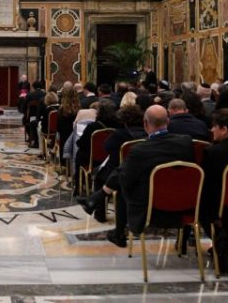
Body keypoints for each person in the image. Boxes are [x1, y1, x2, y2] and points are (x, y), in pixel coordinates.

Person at [81, 105, 195, 248]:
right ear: (168, 121)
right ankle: (183, 241)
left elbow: (125, 181)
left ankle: (116, 228)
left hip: (151, 209)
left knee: (123, 183)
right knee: (125, 172)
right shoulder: (186, 142)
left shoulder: (140, 150)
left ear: (145, 123)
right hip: (185, 204)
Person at [200, 109, 228, 273]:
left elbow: (207, 187)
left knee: (202, 206)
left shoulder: (212, 152)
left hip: (222, 209)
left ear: (224, 129)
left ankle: (222, 241)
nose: (211, 130)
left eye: (214, 126)